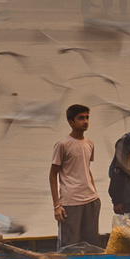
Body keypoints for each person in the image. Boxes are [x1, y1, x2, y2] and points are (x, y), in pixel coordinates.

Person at [50, 103, 100, 248]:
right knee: (69, 246)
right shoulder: (62, 145)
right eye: (81, 118)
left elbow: (86, 169)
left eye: (87, 117)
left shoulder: (89, 143)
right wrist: (56, 206)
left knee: (91, 245)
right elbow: (53, 175)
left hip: (91, 200)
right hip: (70, 203)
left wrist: (95, 192)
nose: (85, 121)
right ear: (71, 122)